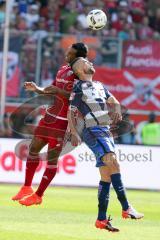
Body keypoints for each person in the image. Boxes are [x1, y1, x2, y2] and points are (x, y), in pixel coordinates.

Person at [67, 57, 144, 232]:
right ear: (78, 70)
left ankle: (101, 219)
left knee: (106, 175)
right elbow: (70, 112)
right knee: (114, 162)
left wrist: (116, 108)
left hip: (105, 131)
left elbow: (113, 100)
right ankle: (126, 207)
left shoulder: (100, 85)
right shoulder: (78, 87)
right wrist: (73, 132)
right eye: (85, 62)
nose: (90, 63)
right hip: (92, 130)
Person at [12, 43, 88, 206]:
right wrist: (37, 89)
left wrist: (59, 92)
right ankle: (26, 187)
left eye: (71, 52)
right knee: (33, 149)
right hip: (49, 117)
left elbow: (80, 98)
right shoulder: (62, 69)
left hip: (62, 122)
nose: (67, 53)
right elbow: (52, 88)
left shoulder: (80, 74)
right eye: (68, 51)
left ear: (79, 57)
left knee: (51, 160)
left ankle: (39, 195)